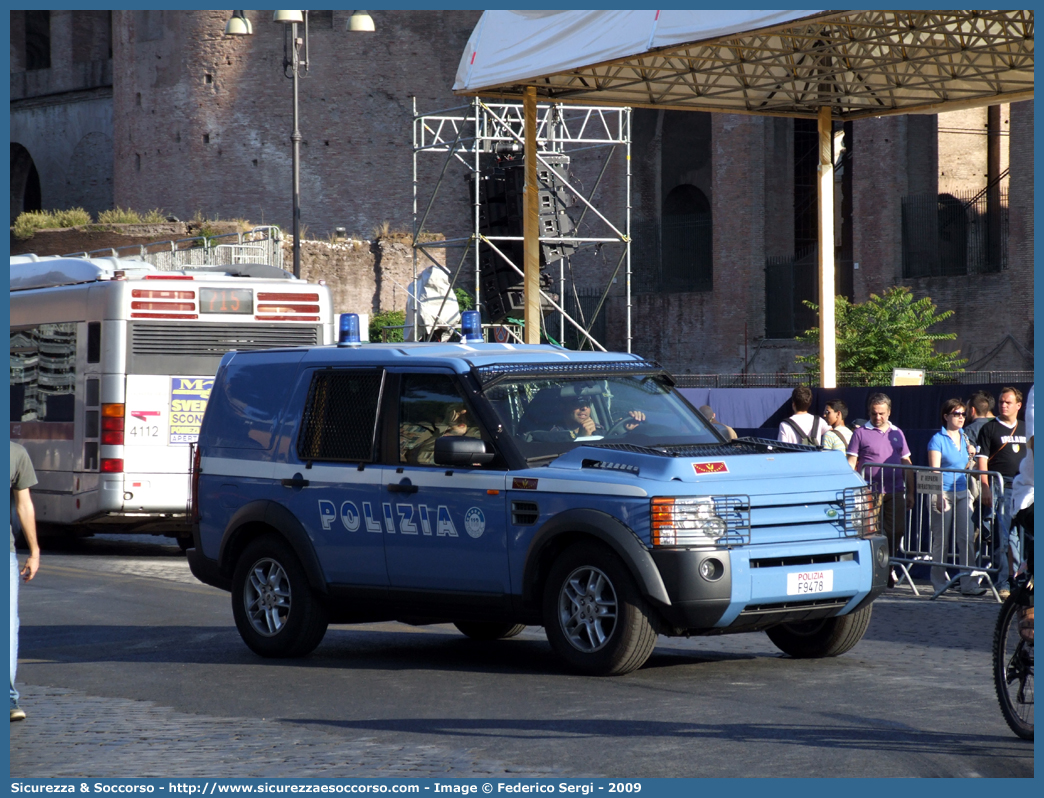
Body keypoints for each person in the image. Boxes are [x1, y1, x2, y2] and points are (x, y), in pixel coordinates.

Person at [846, 393, 915, 585]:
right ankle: (875, 571)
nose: (877, 417)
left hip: (895, 491)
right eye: (874, 413)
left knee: (896, 530)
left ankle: (889, 566)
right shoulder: (860, 433)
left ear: (889, 412)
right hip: (870, 493)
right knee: (872, 533)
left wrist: (910, 491)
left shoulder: (897, 433)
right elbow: (851, 462)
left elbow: (906, 462)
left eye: (881, 414)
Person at [927, 399, 984, 595]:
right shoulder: (937, 439)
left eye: (963, 414)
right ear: (946, 416)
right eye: (956, 414)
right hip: (942, 492)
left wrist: (972, 455)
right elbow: (934, 471)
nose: (961, 417)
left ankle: (969, 584)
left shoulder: (966, 438)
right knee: (941, 540)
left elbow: (971, 468)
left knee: (966, 538)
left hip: (962, 492)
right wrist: (937, 496)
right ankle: (938, 583)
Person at [976, 386, 1028, 596]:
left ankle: (1023, 579)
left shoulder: (1027, 428)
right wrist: (986, 487)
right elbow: (982, 462)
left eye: (1008, 402)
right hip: (1001, 486)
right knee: (1005, 537)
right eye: (1001, 402)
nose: (1004, 405)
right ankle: (1005, 582)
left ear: (1018, 405)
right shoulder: (989, 429)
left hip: (1023, 488)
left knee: (1023, 537)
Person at [10, 441, 40, 722]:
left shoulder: (15, 454)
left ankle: (7, 700)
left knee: (6, 628)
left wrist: (34, 550)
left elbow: (24, 504)